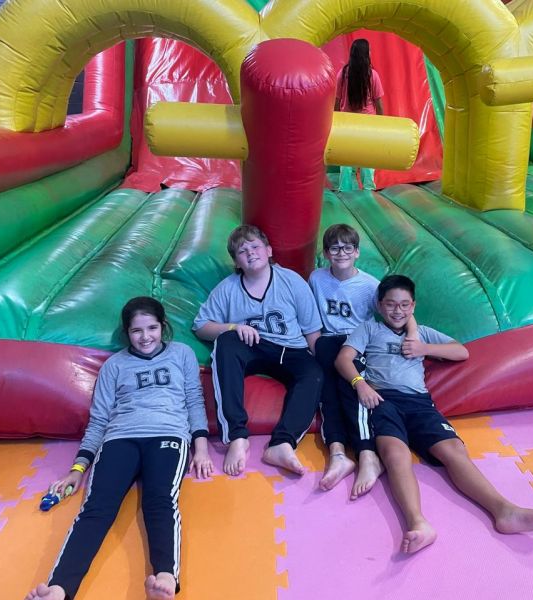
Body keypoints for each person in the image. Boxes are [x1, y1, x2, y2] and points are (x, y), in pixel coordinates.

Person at [335, 275, 533, 555]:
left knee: (454, 450)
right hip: (383, 400)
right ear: (380, 306)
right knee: (395, 454)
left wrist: (424, 349)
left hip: (419, 403)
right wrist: (360, 384)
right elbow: (343, 359)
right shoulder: (369, 328)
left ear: (413, 306)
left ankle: (505, 511)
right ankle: (417, 523)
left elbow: (460, 352)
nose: (397, 310)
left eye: (404, 304)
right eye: (390, 304)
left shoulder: (423, 333)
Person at [26, 297, 213, 600]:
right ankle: (59, 588)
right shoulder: (114, 366)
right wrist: (78, 469)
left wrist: (201, 448)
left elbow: (194, 401)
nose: (145, 337)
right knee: (96, 508)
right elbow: (99, 421)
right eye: (136, 330)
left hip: (167, 435)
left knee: (160, 501)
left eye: (152, 328)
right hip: (120, 439)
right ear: (127, 332)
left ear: (163, 326)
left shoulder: (182, 354)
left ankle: (166, 576)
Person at [193, 225, 323, 477]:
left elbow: (312, 332)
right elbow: (201, 326)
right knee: (226, 342)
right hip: (252, 348)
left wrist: (321, 364)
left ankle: (282, 444)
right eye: (242, 251)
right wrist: (233, 327)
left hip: (291, 350)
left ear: (269, 251)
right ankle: (237, 436)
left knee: (314, 373)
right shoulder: (228, 288)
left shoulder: (291, 281)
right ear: (236, 262)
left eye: (255, 246)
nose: (250, 253)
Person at [308, 224, 384, 498]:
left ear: (357, 252)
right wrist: (314, 347)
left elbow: (394, 309)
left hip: (355, 343)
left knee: (350, 389)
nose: (341, 253)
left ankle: (367, 454)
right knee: (326, 390)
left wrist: (412, 334)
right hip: (328, 341)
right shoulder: (316, 278)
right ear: (326, 253)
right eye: (335, 248)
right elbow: (310, 315)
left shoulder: (370, 285)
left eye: (347, 247)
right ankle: (338, 453)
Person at [334, 38, 384, 192]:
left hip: (347, 123)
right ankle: (368, 188)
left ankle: (345, 188)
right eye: (369, 50)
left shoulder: (343, 74)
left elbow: (337, 100)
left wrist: (335, 119)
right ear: (366, 54)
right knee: (367, 158)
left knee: (346, 158)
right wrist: (382, 124)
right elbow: (378, 103)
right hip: (367, 124)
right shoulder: (372, 75)